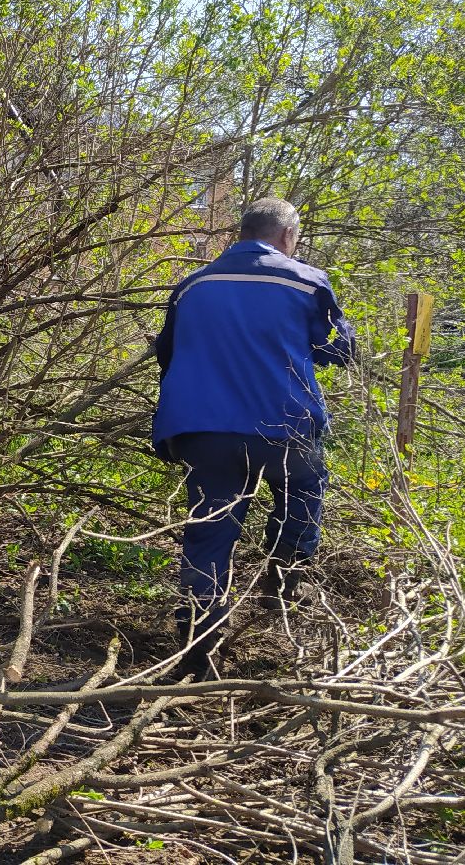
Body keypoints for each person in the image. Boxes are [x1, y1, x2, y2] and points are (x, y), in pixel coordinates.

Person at [153, 198, 356, 679]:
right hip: (281, 423)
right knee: (304, 494)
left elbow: (167, 354)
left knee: (209, 531)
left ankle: (198, 647)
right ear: (287, 236)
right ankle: (282, 577)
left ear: (241, 234)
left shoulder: (192, 285)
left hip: (204, 429)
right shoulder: (306, 280)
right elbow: (338, 350)